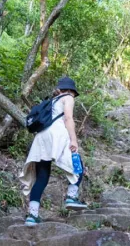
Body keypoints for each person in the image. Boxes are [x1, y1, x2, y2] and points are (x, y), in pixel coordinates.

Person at [20, 76, 88, 224]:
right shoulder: (68, 98)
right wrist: (74, 140)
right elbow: (68, 119)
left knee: (42, 177)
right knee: (78, 166)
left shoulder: (53, 100)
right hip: (57, 135)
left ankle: (32, 216)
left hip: (41, 137)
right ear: (71, 90)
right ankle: (71, 197)